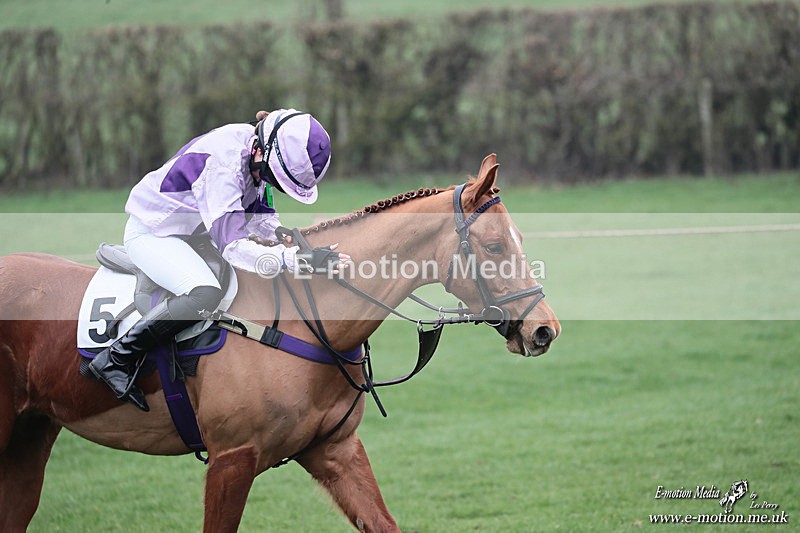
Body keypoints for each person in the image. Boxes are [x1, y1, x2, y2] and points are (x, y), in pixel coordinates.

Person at [89, 108, 347, 412]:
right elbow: (234, 247)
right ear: (262, 155)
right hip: (154, 233)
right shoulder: (223, 167)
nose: (275, 187)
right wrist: (296, 261)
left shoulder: (256, 150)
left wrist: (285, 235)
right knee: (204, 291)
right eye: (275, 180)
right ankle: (116, 358)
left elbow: (260, 217)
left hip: (194, 233)